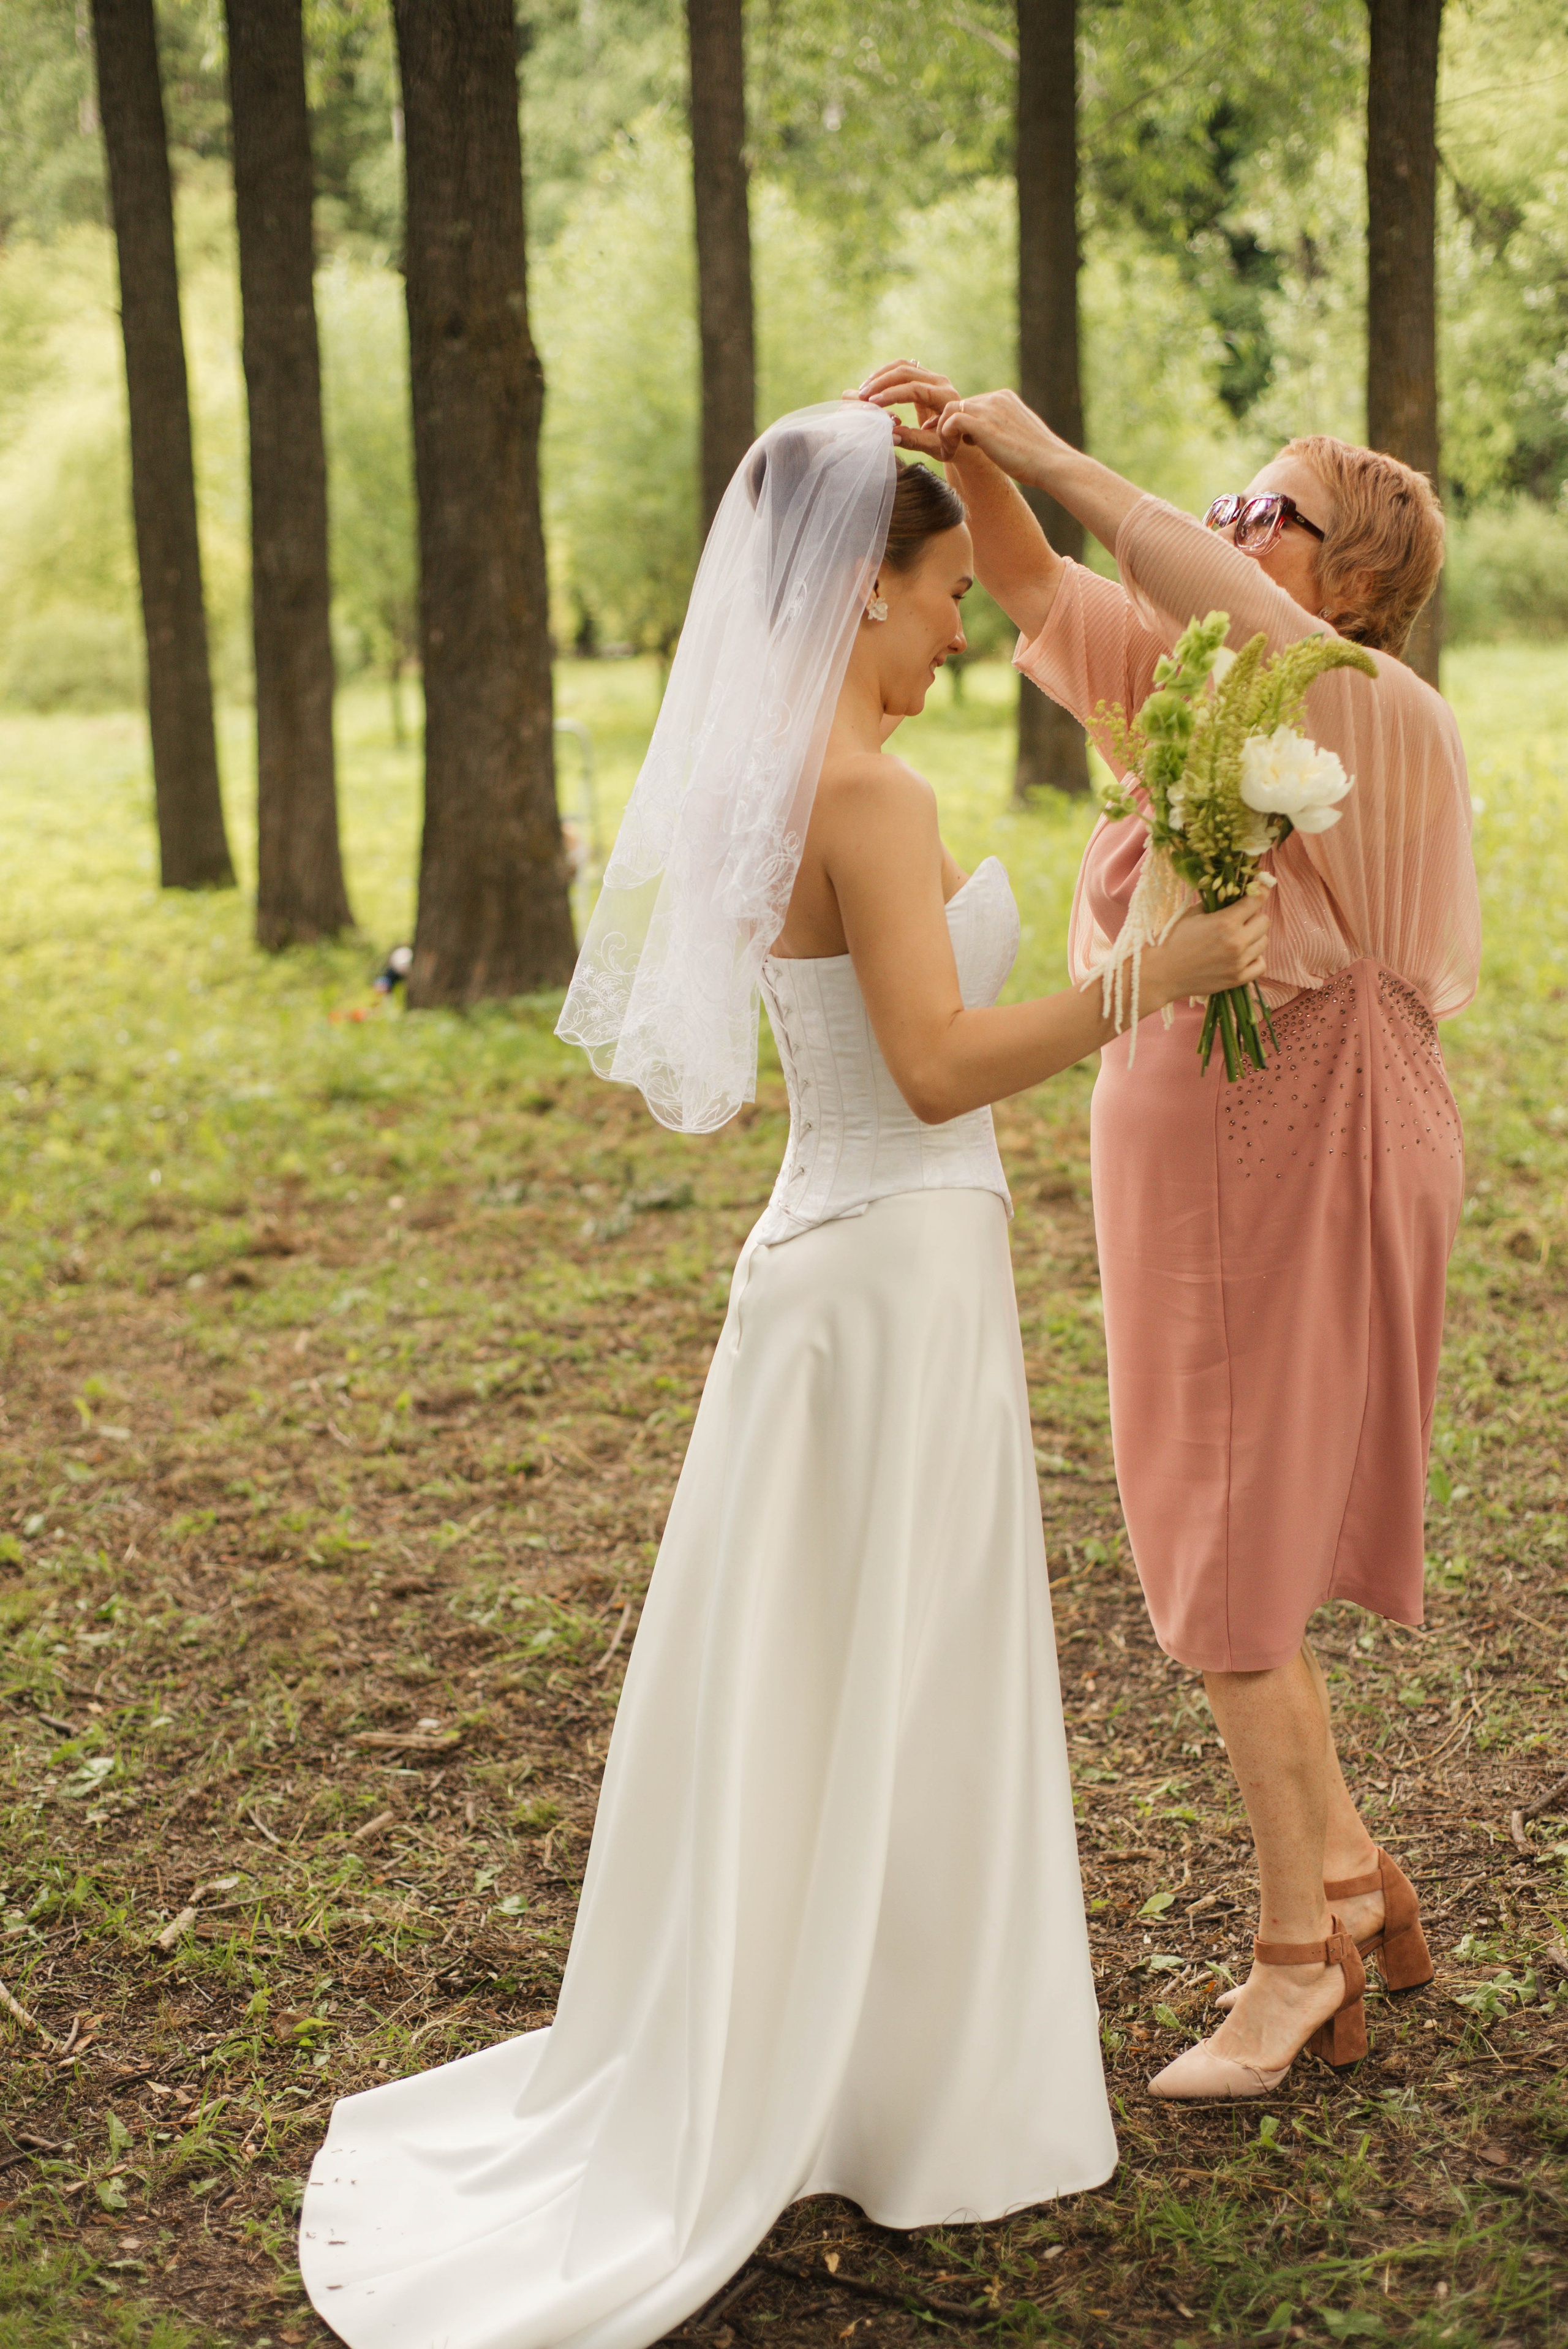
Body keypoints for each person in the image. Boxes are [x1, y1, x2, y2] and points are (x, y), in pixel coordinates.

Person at [297, 403, 1267, 2347]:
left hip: (822, 1270)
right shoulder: (875, 800)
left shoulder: (779, 774)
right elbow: (929, 1062)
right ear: (859, 591)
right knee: (895, 1662)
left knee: (820, 1675)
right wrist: (1162, 966)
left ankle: (826, 2041)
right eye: (931, 597)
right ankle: (904, 2080)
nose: (955, 636)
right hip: (896, 1270)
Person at [855, 364, 1481, 2102]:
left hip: (1302, 1151)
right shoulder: (1210, 685)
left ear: (1347, 577)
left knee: (1224, 1544)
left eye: (1259, 509)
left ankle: (1300, 1954)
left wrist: (1047, 442)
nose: (1218, 526)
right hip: (1192, 1154)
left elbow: (1136, 552)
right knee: (1213, 1519)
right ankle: (1349, 1869)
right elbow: (1051, 594)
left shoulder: (1359, 705)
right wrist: (975, 462)